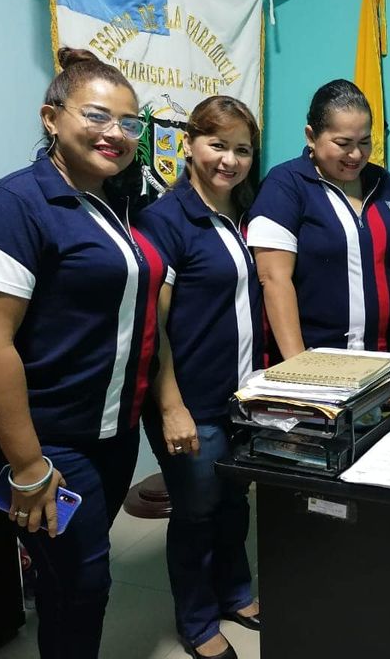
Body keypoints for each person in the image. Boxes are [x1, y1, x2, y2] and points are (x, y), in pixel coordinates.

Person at [0, 48, 163, 658]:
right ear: (51, 118)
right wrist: (27, 466)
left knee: (73, 579)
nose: (116, 133)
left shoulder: (109, 205)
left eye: (129, 123)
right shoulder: (10, 207)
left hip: (109, 431)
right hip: (47, 441)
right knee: (82, 583)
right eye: (97, 116)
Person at [135, 96, 264, 659]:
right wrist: (171, 407)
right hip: (191, 399)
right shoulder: (166, 220)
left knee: (234, 502)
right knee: (197, 511)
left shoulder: (244, 214)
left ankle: (235, 592)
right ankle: (196, 620)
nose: (229, 160)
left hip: (242, 397)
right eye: (218, 145)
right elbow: (154, 326)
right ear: (189, 144)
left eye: (242, 149)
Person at [248, 79, 390, 359]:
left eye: (365, 142)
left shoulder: (382, 181)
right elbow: (273, 279)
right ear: (311, 136)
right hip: (316, 359)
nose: (356, 155)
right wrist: (298, 365)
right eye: (343, 143)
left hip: (382, 360)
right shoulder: (285, 184)